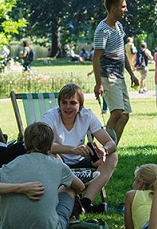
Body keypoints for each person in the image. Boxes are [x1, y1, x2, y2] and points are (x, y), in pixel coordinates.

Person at [0, 122, 85, 229]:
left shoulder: (12, 165)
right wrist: (23, 188)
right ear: (50, 145)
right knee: (69, 188)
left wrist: (18, 188)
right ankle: (69, 219)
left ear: (25, 144)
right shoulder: (57, 165)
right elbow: (80, 187)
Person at [42, 83, 118, 213]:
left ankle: (85, 203)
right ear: (59, 104)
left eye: (73, 103)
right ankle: (66, 199)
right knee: (51, 156)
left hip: (81, 161)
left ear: (80, 106)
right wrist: (72, 149)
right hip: (59, 162)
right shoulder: (50, 116)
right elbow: (43, 145)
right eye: (64, 102)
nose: (68, 107)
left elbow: (111, 143)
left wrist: (104, 151)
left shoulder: (87, 116)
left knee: (112, 157)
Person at [93, 0, 140, 142]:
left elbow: (122, 53)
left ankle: (112, 149)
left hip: (119, 77)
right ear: (113, 9)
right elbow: (96, 58)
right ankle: (104, 148)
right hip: (108, 76)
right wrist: (98, 84)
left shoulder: (119, 26)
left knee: (124, 115)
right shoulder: (102, 30)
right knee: (117, 111)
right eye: (123, 7)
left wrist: (131, 74)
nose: (126, 9)